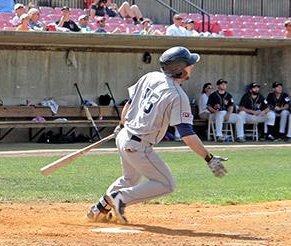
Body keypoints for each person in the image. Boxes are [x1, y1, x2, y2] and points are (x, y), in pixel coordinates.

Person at [85, 46, 228, 224]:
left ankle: (99, 208)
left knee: (130, 179)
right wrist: (209, 158)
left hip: (125, 135)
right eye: (189, 64)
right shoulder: (178, 95)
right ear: (180, 69)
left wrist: (121, 125)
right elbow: (187, 134)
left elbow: (129, 104)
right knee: (166, 184)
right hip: (139, 145)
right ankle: (119, 199)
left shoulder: (150, 76)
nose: (192, 67)